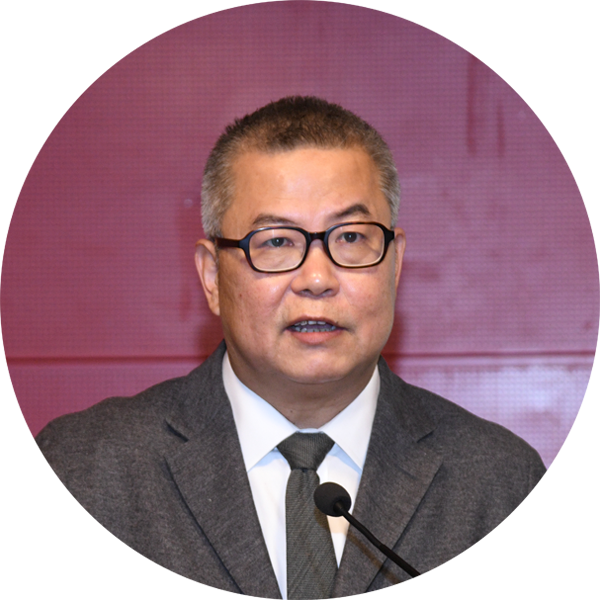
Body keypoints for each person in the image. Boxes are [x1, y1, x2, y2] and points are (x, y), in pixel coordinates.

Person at [36, 96, 546, 599]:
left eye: (350, 238)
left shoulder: (501, 486)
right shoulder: (84, 473)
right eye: (277, 242)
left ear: (394, 265)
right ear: (212, 277)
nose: (318, 278)